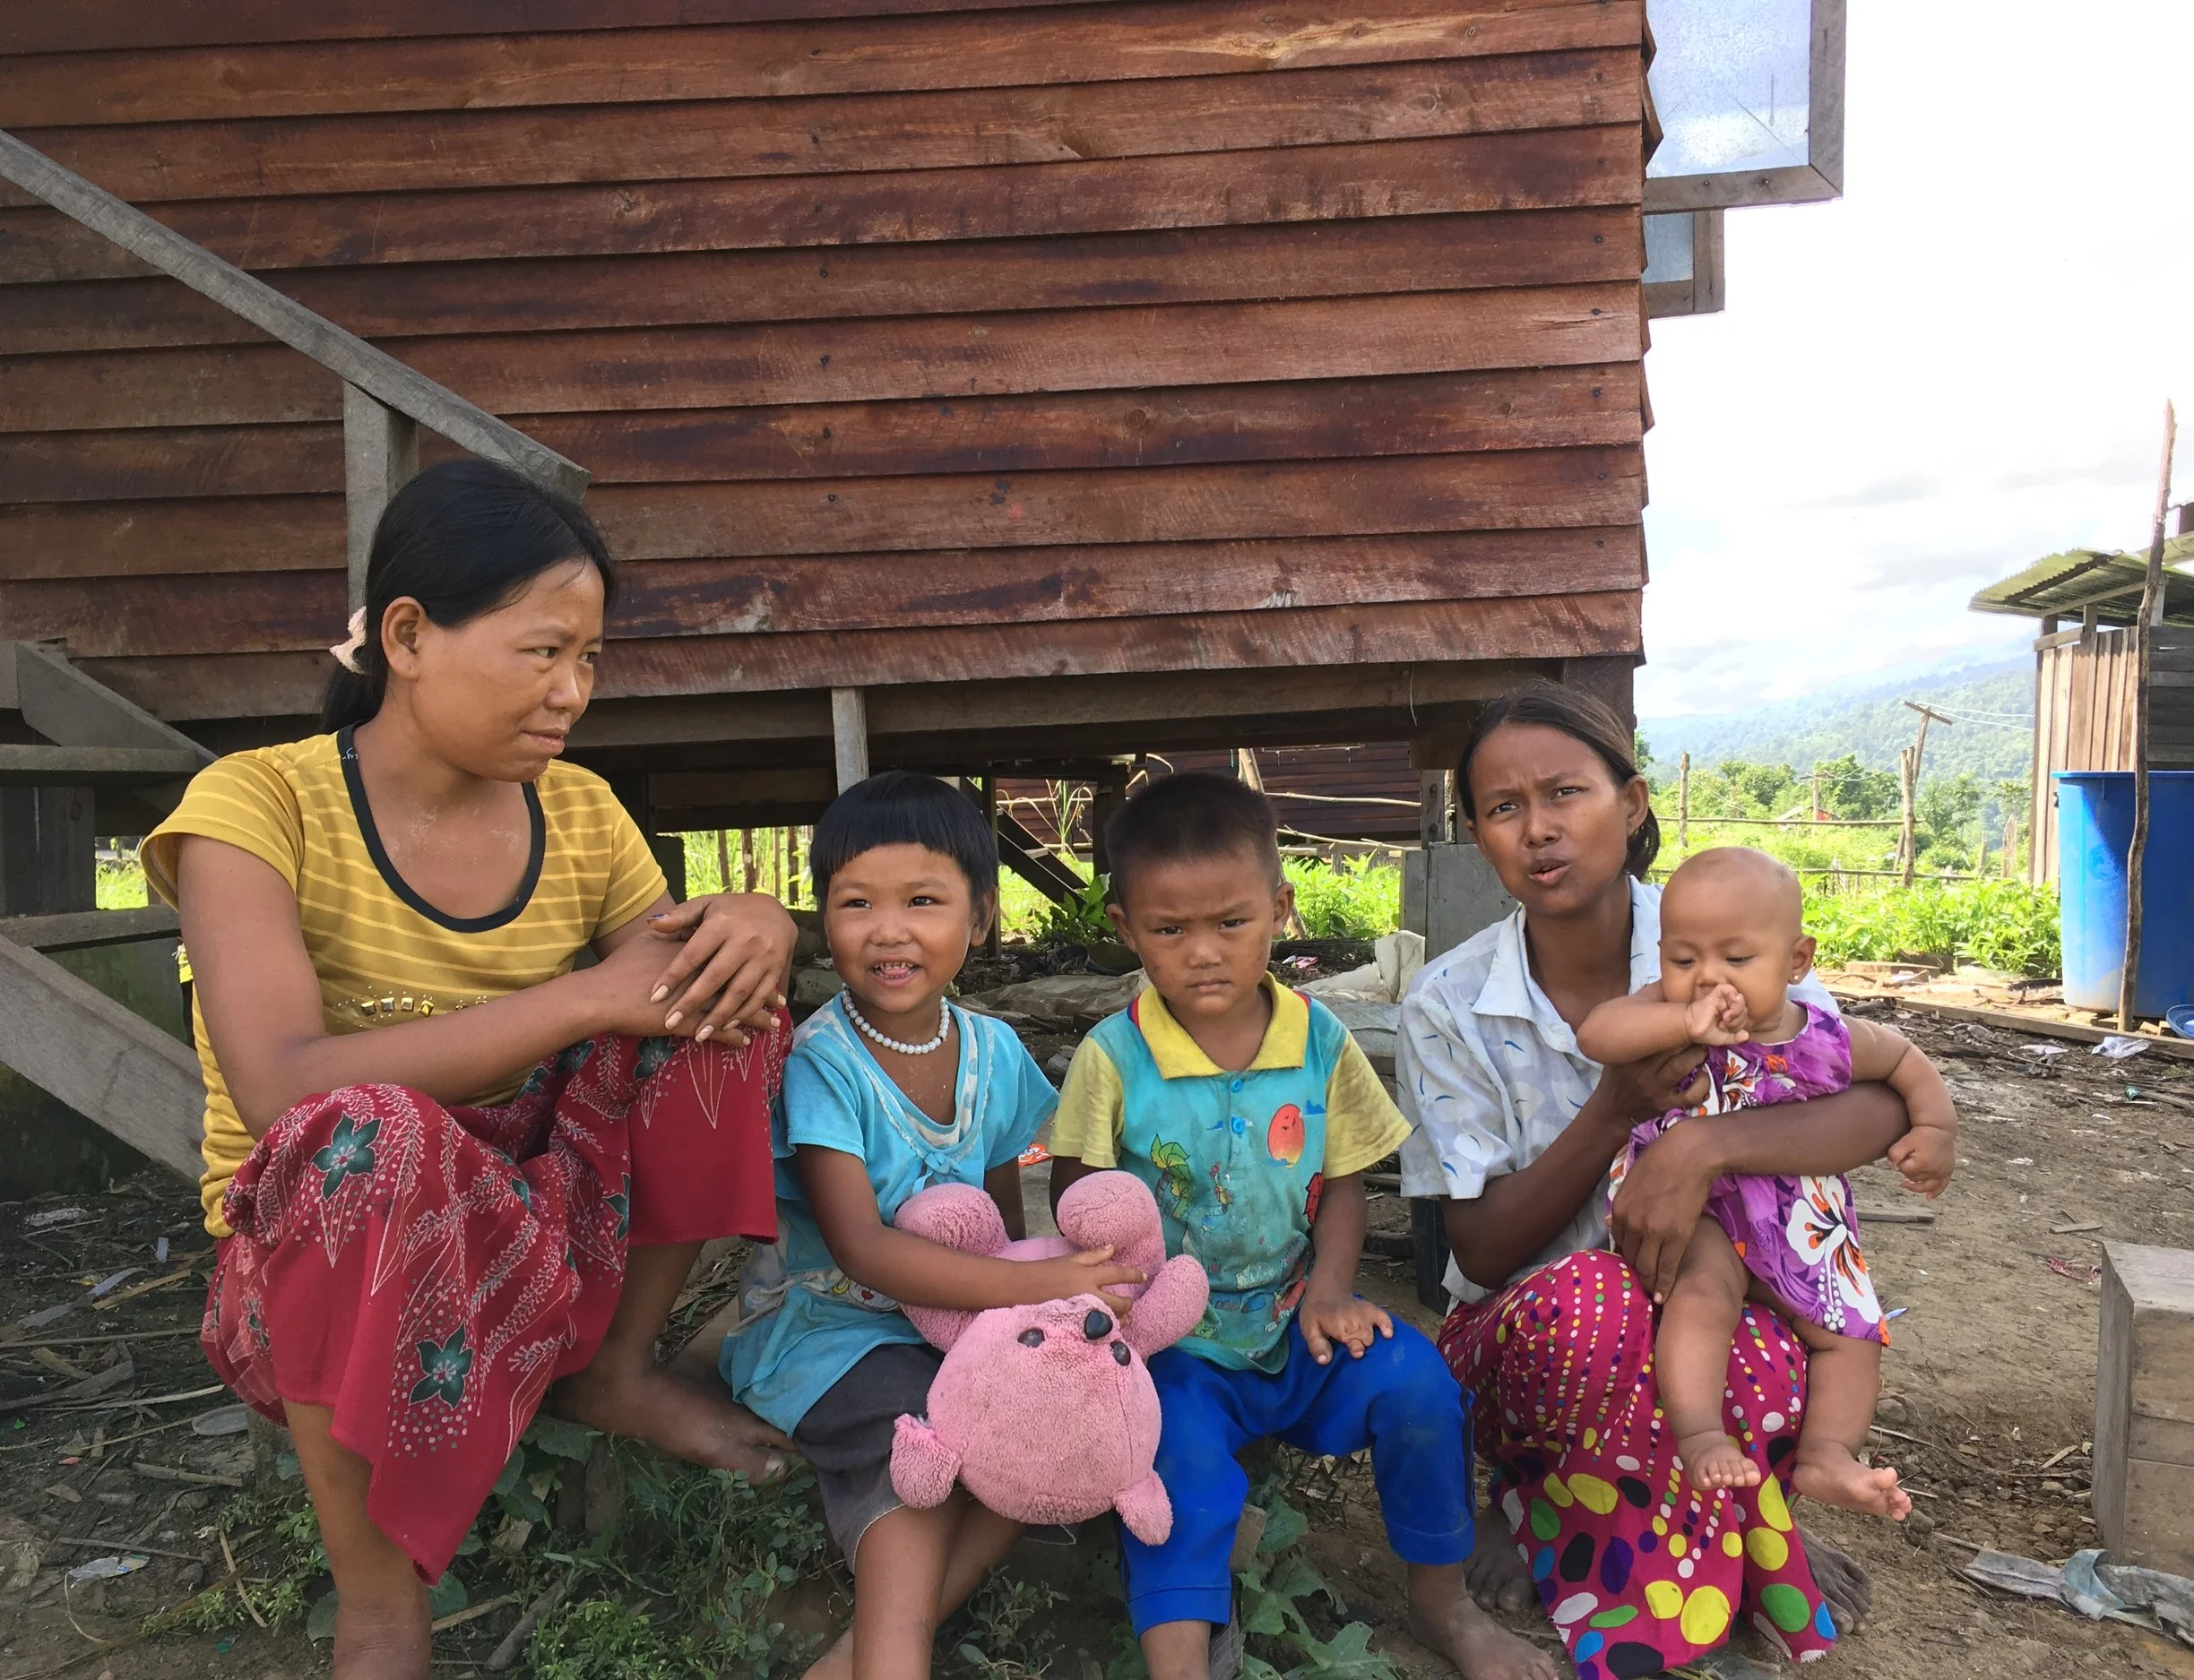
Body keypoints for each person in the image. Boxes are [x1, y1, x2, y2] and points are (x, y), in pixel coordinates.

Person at [140, 460, 802, 1680]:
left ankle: (614, 1366)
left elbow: (680, 989)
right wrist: (583, 994)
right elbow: (284, 1085)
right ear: (408, 635)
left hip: (531, 1223)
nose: (572, 692)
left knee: (725, 1008)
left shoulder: (584, 813)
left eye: (591, 660)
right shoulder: (254, 805)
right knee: (370, 1134)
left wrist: (758, 919)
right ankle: (380, 1599)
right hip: (307, 1259)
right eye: (544, 650)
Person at [1396, 682, 1909, 1680]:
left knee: (1780, 1332)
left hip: (1708, 1301)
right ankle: (1547, 1500)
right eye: (1504, 809)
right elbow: (1480, 1248)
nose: (1539, 831)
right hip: (1529, 1329)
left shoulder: (1724, 929)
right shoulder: (1449, 1003)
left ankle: (1701, 1531)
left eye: (1566, 794)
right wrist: (1618, 1112)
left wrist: (1702, 1151)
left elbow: (1875, 1103)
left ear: (1631, 806)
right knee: (1601, 1302)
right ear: (1476, 833)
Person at [1048, 772, 1541, 1680]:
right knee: (1178, 1473)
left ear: (1279, 909)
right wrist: (1121, 1316)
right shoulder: (1112, 1057)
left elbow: (1347, 1182)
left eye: (1230, 923)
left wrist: (1328, 1290)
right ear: (1124, 928)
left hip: (1297, 1324)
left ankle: (1444, 1605)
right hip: (1174, 1346)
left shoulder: (1320, 1041)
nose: (1203, 953)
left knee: (1422, 1390)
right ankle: (1179, 1660)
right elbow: (1077, 1200)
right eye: (1169, 930)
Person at [720, 771, 1144, 1680]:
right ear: (821, 921)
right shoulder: (821, 1063)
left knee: (1035, 1418)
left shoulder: (992, 1049)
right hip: (829, 1330)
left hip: (950, 1321)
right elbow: (861, 1250)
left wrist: (1062, 1281)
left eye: (922, 901)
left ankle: (853, 1652)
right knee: (923, 1441)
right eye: (855, 902)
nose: (887, 930)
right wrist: (1040, 1287)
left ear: (981, 917)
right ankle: (892, 1651)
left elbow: (1008, 1210)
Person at [1576, 847, 1956, 1514]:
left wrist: (1934, 1130)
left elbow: (1902, 1058)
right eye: (1684, 959)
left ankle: (1827, 1455)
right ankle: (1699, 1436)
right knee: (1702, 1295)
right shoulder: (1668, 1015)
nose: (1707, 979)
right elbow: (1598, 1032)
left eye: (1737, 959)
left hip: (1801, 1222)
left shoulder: (1825, 1036)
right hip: (1702, 1216)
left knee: (1852, 1335)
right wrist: (1679, 1021)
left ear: (1797, 961)